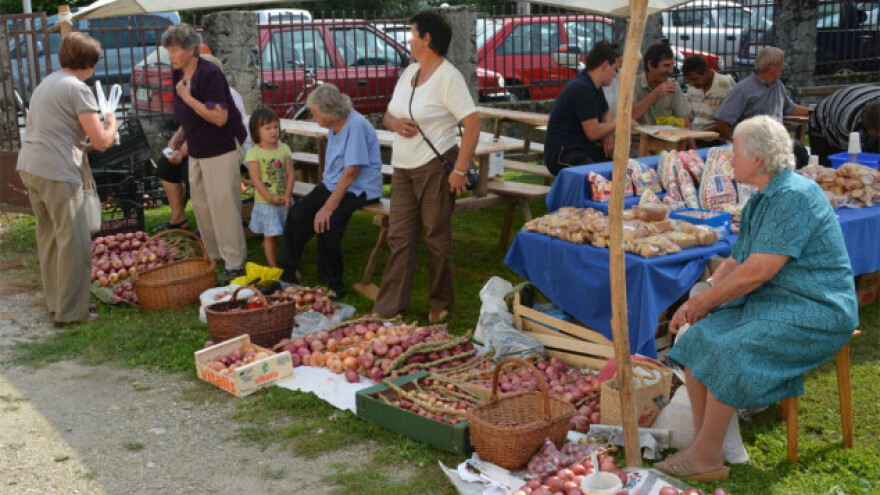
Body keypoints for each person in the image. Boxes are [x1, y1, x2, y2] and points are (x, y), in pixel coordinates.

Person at [655, 116, 857, 482]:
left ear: (758, 160)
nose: (729, 159)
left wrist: (705, 301)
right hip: (774, 300)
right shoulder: (762, 199)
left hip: (816, 307)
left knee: (733, 347)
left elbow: (761, 269)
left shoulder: (794, 195)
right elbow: (738, 260)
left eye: (734, 151)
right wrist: (699, 296)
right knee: (699, 337)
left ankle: (706, 453)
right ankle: (705, 448)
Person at [371, 11, 479, 324]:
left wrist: (459, 170)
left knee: (436, 236)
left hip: (434, 167)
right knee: (400, 237)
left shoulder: (449, 77)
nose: (409, 37)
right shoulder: (409, 73)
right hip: (403, 169)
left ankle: (440, 302)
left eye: (413, 32)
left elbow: (472, 123)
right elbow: (388, 115)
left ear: (427, 38)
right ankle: (389, 307)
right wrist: (394, 122)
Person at [16, 32, 118, 327]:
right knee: (73, 242)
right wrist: (111, 122)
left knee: (49, 238)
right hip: (57, 171)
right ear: (89, 63)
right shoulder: (78, 89)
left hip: (31, 166)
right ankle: (73, 313)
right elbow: (100, 141)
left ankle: (55, 304)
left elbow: (58, 132)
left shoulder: (47, 82)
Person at [277, 84, 383, 296]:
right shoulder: (336, 125)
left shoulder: (356, 126)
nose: (314, 118)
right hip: (335, 183)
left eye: (315, 114)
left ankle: (332, 285)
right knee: (298, 214)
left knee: (328, 223)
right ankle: (286, 275)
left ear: (330, 114)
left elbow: (351, 173)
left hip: (360, 189)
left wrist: (327, 207)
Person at [161, 25, 249, 280]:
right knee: (202, 205)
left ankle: (234, 263)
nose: (171, 56)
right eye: (169, 50)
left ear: (190, 50)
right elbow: (187, 114)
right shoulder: (178, 72)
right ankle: (214, 259)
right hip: (197, 148)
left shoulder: (209, 74)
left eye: (174, 50)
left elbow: (220, 117)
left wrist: (188, 99)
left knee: (223, 205)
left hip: (220, 146)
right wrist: (180, 135)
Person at [155, 53, 252, 233]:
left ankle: (207, 226)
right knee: (165, 165)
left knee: (191, 170)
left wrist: (182, 152)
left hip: (229, 151)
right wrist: (177, 139)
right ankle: (178, 219)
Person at [543, 42, 620, 176]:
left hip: (582, 148)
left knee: (615, 168)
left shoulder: (594, 84)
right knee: (593, 174)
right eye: (615, 69)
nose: (615, 75)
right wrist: (619, 123)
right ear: (605, 65)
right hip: (563, 153)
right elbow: (593, 132)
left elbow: (606, 113)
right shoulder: (582, 88)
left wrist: (607, 134)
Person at [714, 47, 810, 142]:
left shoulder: (778, 85)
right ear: (771, 66)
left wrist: (814, 112)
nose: (783, 67)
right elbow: (722, 121)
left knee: (799, 151)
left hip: (776, 142)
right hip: (753, 144)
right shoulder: (743, 89)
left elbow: (790, 108)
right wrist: (735, 144)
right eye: (781, 64)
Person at [246, 107, 295, 268]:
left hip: (285, 201)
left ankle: (289, 265)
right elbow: (256, 180)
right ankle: (274, 268)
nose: (273, 131)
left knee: (289, 234)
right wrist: (270, 198)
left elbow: (290, 174)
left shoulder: (284, 149)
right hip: (267, 204)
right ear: (256, 131)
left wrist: (287, 195)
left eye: (275, 126)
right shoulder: (254, 153)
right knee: (271, 236)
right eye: (267, 128)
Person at [631, 43, 692, 154]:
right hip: (638, 143)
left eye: (672, 65)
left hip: (667, 143)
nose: (671, 70)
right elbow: (629, 116)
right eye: (666, 65)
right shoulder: (634, 84)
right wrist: (654, 95)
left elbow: (685, 122)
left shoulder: (673, 86)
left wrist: (693, 151)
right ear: (650, 65)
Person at [808, 85, 880, 165]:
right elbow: (853, 159)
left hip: (855, 99)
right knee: (827, 170)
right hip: (823, 121)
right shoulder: (847, 124)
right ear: (867, 128)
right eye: (876, 135)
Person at [681, 55, 735, 135]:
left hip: (716, 137)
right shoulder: (692, 88)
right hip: (694, 134)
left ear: (706, 71)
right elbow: (689, 117)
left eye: (694, 79)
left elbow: (728, 121)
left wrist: (703, 134)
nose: (691, 84)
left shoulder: (726, 84)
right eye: (689, 80)